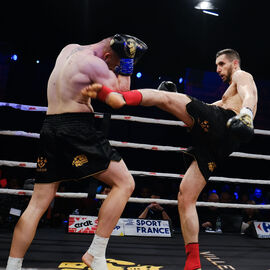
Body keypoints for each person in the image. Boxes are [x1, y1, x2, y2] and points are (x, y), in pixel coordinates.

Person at [81, 48, 258, 270]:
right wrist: (177, 98)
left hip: (230, 123)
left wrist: (247, 116)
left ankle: (117, 97)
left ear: (234, 63)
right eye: (216, 65)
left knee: (162, 97)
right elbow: (210, 108)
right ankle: (193, 264)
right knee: (186, 196)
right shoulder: (229, 95)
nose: (218, 69)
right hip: (223, 141)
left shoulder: (242, 75)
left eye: (221, 64)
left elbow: (250, 92)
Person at [5, 34, 147, 270]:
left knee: (38, 204)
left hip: (50, 127)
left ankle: (13, 265)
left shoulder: (68, 48)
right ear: (109, 55)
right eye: (113, 63)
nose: (112, 68)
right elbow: (121, 97)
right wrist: (128, 64)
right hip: (76, 128)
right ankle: (95, 253)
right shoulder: (96, 63)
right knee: (125, 183)